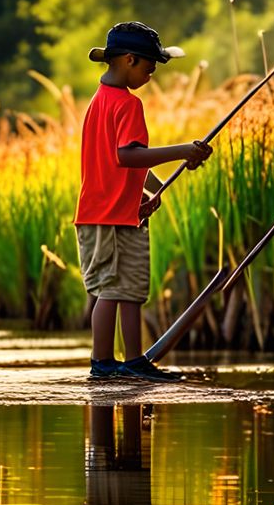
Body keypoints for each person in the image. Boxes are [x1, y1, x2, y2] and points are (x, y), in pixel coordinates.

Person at [75, 22, 211, 382]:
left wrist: (151, 190)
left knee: (131, 290)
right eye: (149, 67)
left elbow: (124, 160)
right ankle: (103, 364)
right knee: (110, 289)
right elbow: (127, 156)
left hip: (121, 213)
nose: (152, 74)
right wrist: (183, 150)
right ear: (130, 60)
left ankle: (133, 361)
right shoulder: (126, 105)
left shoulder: (98, 101)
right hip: (107, 216)